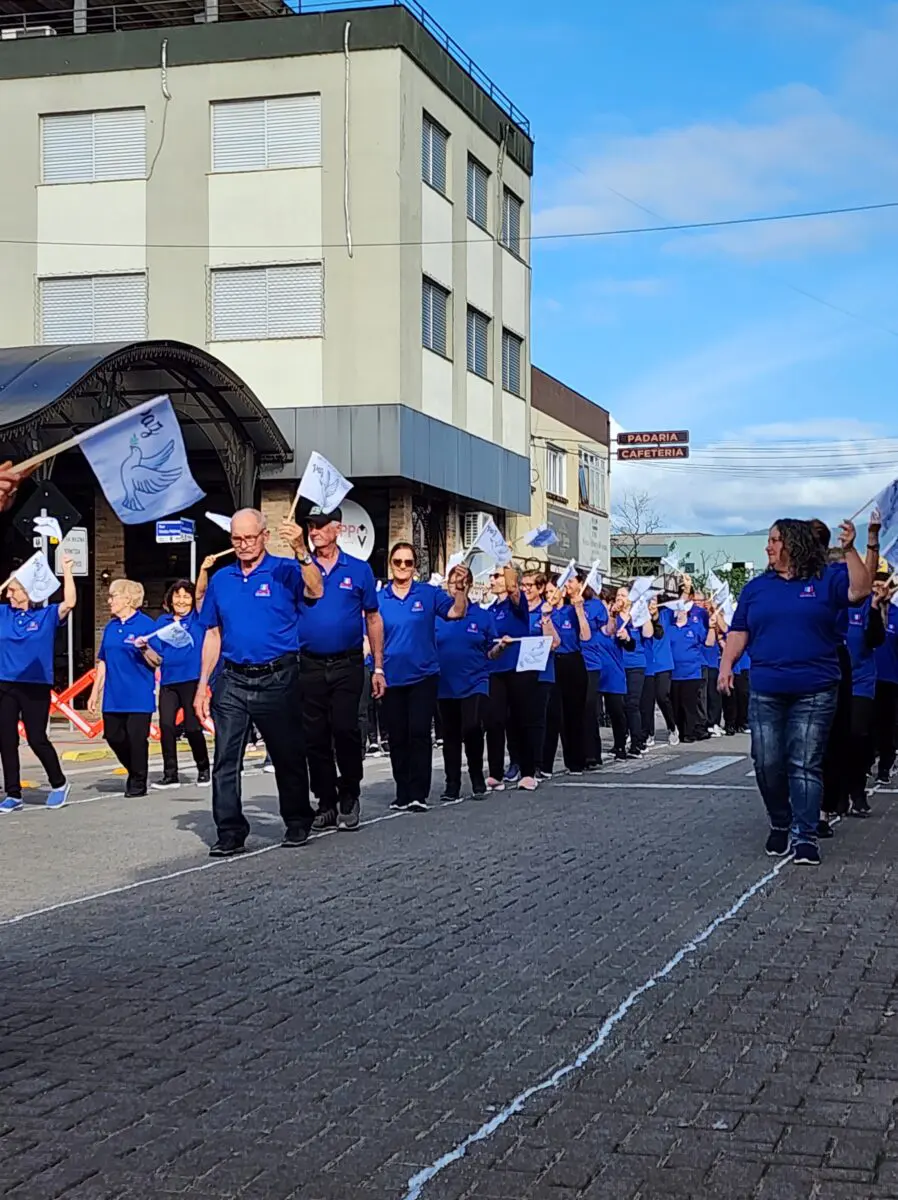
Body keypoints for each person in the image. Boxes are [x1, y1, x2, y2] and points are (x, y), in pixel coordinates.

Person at [720, 517, 869, 866]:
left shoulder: (826, 579)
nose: (768, 547)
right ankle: (780, 821)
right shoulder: (756, 589)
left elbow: (860, 590)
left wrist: (850, 550)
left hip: (815, 689)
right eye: (769, 540)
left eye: (774, 540)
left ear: (793, 544)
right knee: (767, 762)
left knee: (805, 763)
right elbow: (739, 631)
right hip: (767, 688)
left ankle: (805, 836)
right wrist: (727, 666)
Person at [194, 509, 323, 856]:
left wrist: (301, 549)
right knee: (225, 758)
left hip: (278, 676)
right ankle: (230, 830)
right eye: (237, 539)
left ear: (265, 536)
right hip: (233, 677)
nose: (244, 545)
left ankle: (297, 820)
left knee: (287, 754)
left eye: (250, 537)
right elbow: (213, 633)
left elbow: (316, 588)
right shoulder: (222, 579)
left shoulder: (284, 569)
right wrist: (203, 683)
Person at [297, 505, 383, 834]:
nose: (314, 531)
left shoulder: (359, 570)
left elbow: (373, 619)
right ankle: (326, 801)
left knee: (346, 730)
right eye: (310, 526)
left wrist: (379, 667)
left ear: (337, 528)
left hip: (348, 663)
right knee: (314, 737)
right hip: (311, 664)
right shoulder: (302, 567)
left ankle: (350, 793)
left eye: (320, 525)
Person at [380, 542, 466, 811]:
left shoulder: (428, 594)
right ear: (390, 565)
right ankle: (402, 792)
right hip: (392, 676)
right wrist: (375, 669)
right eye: (398, 562)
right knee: (397, 736)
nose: (403, 567)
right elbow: (370, 635)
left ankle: (418, 792)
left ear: (415, 566)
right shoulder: (380, 599)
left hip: (423, 675)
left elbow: (456, 612)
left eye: (408, 562)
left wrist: (461, 590)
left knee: (418, 732)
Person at [0, 555, 76, 813]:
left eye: (13, 589)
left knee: (36, 737)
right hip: (5, 684)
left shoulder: (46, 615)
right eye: (8, 589)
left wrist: (66, 570)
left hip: (35, 685)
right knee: (5, 739)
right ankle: (13, 793)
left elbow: (70, 602)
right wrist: (3, 584)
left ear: (26, 591)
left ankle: (59, 783)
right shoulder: (3, 613)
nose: (9, 594)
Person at [137, 579, 211, 790]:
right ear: (170, 599)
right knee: (167, 726)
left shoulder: (198, 619)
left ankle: (203, 769)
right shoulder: (162, 622)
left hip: (192, 679)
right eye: (177, 596)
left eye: (185, 596)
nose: (181, 600)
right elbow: (157, 657)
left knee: (192, 727)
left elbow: (201, 596)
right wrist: (143, 648)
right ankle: (171, 774)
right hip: (169, 680)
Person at [87, 578, 158, 798]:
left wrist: (145, 648)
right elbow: (103, 661)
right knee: (113, 736)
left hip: (138, 694)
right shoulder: (111, 627)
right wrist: (94, 692)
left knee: (137, 740)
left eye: (113, 596)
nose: (109, 600)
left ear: (128, 598)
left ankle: (138, 780)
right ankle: (134, 769)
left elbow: (157, 660)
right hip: (113, 695)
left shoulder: (146, 625)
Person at [436, 564, 498, 801]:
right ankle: (452, 783)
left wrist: (499, 647)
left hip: (475, 681)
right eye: (452, 584)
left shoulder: (482, 616)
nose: (456, 588)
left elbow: (491, 649)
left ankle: (476, 777)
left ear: (469, 585)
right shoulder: (439, 615)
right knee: (450, 734)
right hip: (445, 683)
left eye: (461, 584)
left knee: (471, 727)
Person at [483, 563, 533, 789]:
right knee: (494, 721)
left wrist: (507, 562)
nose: (492, 579)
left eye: (496, 575)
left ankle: (528, 771)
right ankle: (496, 773)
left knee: (522, 719)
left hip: (518, 668)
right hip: (495, 669)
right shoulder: (490, 610)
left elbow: (514, 590)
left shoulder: (517, 604)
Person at [541, 576, 589, 775]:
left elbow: (585, 636)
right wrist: (546, 616)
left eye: (553, 591)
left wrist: (578, 610)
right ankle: (545, 765)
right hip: (552, 662)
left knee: (573, 714)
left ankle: (576, 760)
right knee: (552, 714)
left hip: (573, 662)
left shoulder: (571, 610)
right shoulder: (544, 612)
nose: (550, 596)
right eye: (547, 593)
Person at [844, 588, 885, 818]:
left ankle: (857, 793)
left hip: (861, 682)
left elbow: (875, 639)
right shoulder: (830, 599)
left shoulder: (866, 602)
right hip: (832, 679)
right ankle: (835, 797)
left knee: (858, 735)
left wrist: (875, 608)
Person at [668, 603, 708, 743]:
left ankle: (689, 733)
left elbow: (707, 641)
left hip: (692, 672)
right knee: (676, 704)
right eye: (677, 609)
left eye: (682, 609)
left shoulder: (694, 627)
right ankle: (680, 730)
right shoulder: (670, 629)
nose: (679, 612)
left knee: (689, 704)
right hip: (674, 673)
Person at [872, 573, 898, 786]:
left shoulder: (896, 614)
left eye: (884, 586)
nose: (880, 590)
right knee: (866, 727)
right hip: (867, 678)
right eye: (876, 586)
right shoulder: (866, 612)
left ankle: (885, 767)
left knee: (888, 726)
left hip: (890, 678)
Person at [648, 596, 677, 745]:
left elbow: (682, 603)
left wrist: (686, 587)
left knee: (662, 697)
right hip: (647, 664)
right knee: (647, 701)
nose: (651, 603)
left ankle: (672, 727)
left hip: (663, 664)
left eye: (654, 600)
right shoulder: (641, 616)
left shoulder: (666, 614)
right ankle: (649, 733)